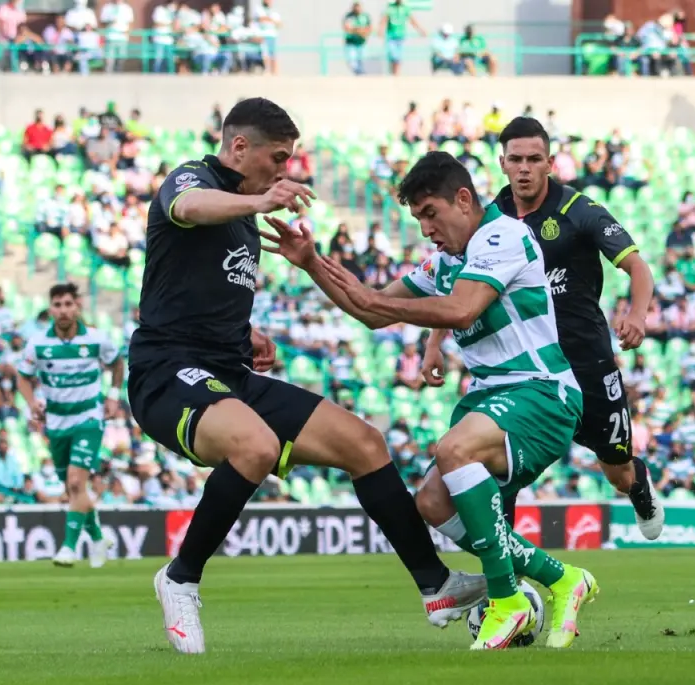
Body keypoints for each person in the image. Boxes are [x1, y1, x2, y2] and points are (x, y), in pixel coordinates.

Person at [131, 99, 479, 654]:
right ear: (239, 147)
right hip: (166, 372)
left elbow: (192, 286)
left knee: (365, 443)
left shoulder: (242, 216)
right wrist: (259, 199)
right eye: (277, 158)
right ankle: (180, 578)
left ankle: (436, 586)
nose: (283, 172)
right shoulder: (194, 179)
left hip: (227, 371)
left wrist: (246, 334)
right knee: (255, 446)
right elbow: (188, 207)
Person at [261, 151, 598, 650]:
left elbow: (461, 310)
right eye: (418, 218)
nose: (426, 229)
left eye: (430, 213)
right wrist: (312, 263)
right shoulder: (445, 263)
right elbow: (371, 311)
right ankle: (562, 578)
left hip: (542, 391)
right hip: (492, 395)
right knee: (433, 503)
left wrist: (380, 303)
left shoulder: (502, 235)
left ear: (463, 199)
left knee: (453, 450)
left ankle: (506, 600)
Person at [482, 117, 663, 540]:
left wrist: (637, 314)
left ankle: (639, 485)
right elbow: (460, 280)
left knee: (617, 471)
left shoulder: (579, 210)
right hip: (526, 364)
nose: (524, 168)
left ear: (550, 163)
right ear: (502, 163)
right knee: (500, 462)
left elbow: (637, 267)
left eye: (534, 159)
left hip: (585, 357)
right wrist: (435, 343)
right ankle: (503, 565)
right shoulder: (490, 219)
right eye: (515, 159)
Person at [16, 283, 122, 568]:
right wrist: (31, 403)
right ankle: (98, 537)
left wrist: (113, 396)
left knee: (76, 482)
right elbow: (23, 376)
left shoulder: (96, 339)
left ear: (77, 307)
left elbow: (117, 364)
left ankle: (68, 547)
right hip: (56, 423)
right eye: (57, 305)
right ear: (50, 309)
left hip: (88, 417)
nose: (63, 310)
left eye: (68, 304)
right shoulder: (38, 344)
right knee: (73, 489)